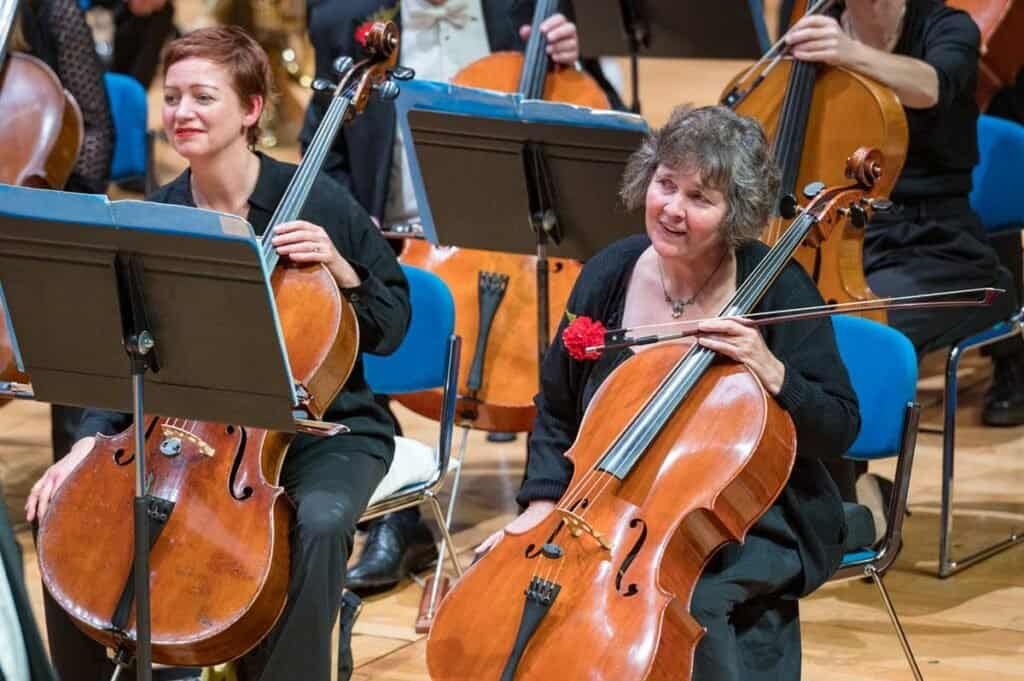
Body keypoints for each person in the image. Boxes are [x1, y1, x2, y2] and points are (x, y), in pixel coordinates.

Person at [25, 25, 410, 681]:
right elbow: (122, 352)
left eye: (203, 97)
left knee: (317, 522)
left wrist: (345, 271)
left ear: (251, 110)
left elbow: (392, 322)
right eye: (172, 97)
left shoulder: (319, 201)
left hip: (322, 430)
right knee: (69, 515)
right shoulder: (160, 215)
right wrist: (88, 444)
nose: (181, 113)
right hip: (182, 427)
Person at [476, 105, 860, 680]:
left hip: (745, 516)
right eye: (665, 184)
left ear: (739, 212)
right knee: (522, 587)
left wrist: (772, 370)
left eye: (700, 199)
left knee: (685, 601)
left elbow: (840, 426)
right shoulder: (610, 272)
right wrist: (539, 504)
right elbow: (557, 405)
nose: (672, 210)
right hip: (611, 508)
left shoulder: (776, 287)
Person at [301, 0, 621, 595]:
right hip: (396, 236)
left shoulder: (521, 16)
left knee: (579, 327)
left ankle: (549, 503)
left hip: (522, 241)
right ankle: (398, 521)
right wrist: (356, 230)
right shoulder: (342, 20)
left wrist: (582, 68)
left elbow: (608, 134)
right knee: (339, 313)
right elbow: (324, 153)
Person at [785, 0, 1024, 524]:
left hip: (943, 253)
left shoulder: (946, 27)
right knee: (774, 324)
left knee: (851, 332)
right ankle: (818, 496)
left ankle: (850, 507)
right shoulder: (814, 21)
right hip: (847, 236)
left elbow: (932, 85)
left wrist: (848, 52)